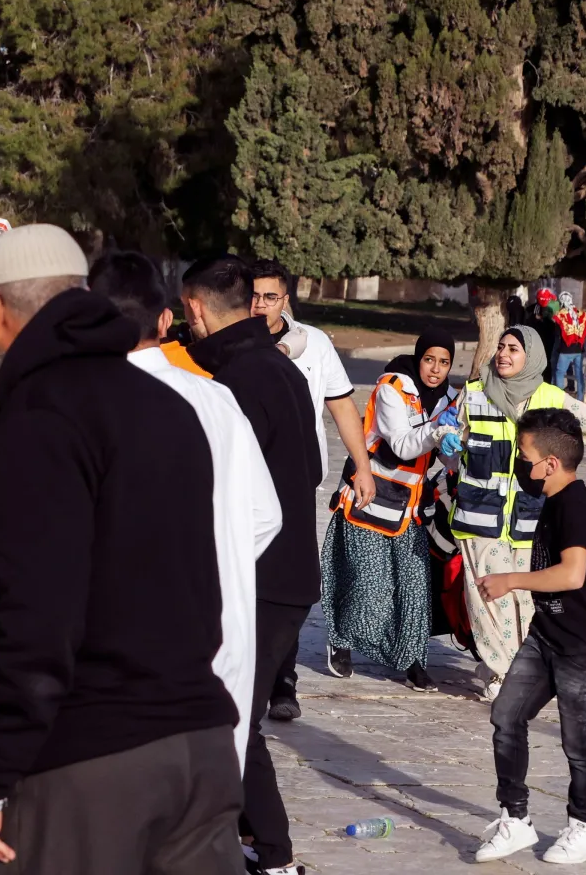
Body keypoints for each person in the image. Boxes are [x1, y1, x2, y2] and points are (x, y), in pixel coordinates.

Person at [0, 228, 242, 875]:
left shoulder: (43, 412)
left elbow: (34, 611)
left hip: (92, 762)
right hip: (200, 746)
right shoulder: (167, 405)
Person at [90, 250, 282, 772]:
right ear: (165, 319)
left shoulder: (87, 406)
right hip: (221, 656)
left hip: (122, 672)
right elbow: (267, 515)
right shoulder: (216, 400)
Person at [183, 255, 320, 875]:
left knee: (233, 714)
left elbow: (223, 490)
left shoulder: (232, 381)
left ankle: (275, 853)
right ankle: (243, 836)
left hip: (259, 574)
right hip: (289, 572)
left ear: (195, 309)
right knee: (230, 709)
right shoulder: (282, 371)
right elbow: (313, 468)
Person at [249, 258, 374, 722]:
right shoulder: (233, 344)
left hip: (296, 483)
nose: (261, 305)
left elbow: (342, 405)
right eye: (254, 296)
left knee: (292, 585)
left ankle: (284, 679)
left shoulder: (314, 344)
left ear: (286, 299)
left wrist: (362, 467)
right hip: (242, 482)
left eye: (270, 296)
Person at [473, 408, 586, 865]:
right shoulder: (553, 502)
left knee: (580, 743)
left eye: (524, 455)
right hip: (545, 638)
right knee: (506, 717)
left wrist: (511, 580)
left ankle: (585, 826)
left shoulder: (577, 505)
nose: (519, 464)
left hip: (581, 647)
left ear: (550, 463)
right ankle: (516, 819)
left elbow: (572, 573)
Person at [447, 326, 586, 699]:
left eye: (514, 349)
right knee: (487, 597)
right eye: (501, 347)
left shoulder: (549, 397)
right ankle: (502, 672)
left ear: (532, 357)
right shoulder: (475, 393)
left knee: (524, 598)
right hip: (480, 517)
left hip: (530, 519)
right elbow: (447, 437)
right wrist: (444, 438)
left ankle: (515, 664)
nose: (504, 355)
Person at [321, 330, 459, 692]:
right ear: (418, 358)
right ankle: (343, 641)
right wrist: (437, 431)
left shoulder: (450, 400)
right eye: (429, 360)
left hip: (411, 510)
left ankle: (413, 662)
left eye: (444, 362)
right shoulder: (392, 388)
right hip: (369, 499)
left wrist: (456, 450)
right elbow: (401, 443)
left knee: (415, 592)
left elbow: (446, 454)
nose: (435, 369)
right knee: (371, 590)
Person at [553, 291, 586, 398]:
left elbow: (557, 333)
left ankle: (560, 398)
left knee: (560, 373)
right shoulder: (581, 313)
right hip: (578, 349)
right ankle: (580, 398)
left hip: (565, 350)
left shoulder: (560, 315)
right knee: (579, 375)